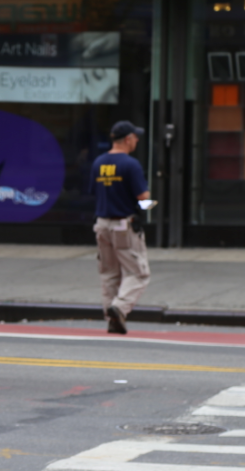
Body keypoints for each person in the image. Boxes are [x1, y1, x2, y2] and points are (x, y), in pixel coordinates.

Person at [91, 120, 153, 335]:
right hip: (124, 225)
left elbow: (93, 192)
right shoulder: (130, 165)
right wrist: (151, 205)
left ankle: (112, 318)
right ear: (127, 139)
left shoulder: (98, 162)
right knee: (139, 273)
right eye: (135, 137)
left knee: (109, 274)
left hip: (102, 224)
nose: (136, 140)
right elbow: (143, 198)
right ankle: (120, 307)